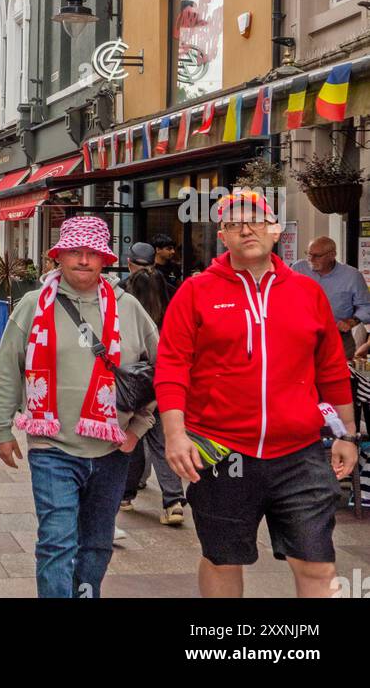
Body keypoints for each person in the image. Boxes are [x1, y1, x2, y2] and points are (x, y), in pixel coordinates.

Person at [156, 189, 358, 599]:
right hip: (220, 449)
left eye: (256, 220)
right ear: (223, 236)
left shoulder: (307, 292)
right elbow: (172, 367)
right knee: (222, 559)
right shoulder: (195, 292)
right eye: (233, 223)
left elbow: (332, 370)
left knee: (318, 563)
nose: (246, 229)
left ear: (275, 229)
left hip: (300, 453)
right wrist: (175, 435)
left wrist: (347, 433)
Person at [0, 215, 159, 599]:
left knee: (97, 543)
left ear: (104, 259)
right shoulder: (33, 305)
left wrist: (138, 430)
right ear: (59, 257)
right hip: (53, 448)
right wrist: (0, 429)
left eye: (92, 253)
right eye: (74, 252)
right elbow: (7, 369)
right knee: (56, 542)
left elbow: (162, 371)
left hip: (113, 449)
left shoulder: (128, 307)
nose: (83, 260)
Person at [120, 264, 186, 526]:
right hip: (163, 387)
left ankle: (126, 495)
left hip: (134, 389)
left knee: (132, 443)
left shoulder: (131, 317)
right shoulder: (172, 316)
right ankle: (174, 501)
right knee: (162, 444)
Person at [292, 236, 370, 360]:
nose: (311, 259)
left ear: (332, 255)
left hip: (338, 339)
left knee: (338, 378)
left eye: (317, 255)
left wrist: (352, 321)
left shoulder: (352, 276)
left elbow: (366, 306)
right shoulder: (298, 268)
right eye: (309, 254)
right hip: (301, 338)